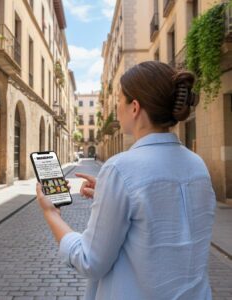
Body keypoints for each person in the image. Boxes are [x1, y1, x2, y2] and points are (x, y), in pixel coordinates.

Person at [36, 61, 216, 300]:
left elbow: (90, 261)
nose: (116, 109)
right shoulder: (198, 165)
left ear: (134, 107)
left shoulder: (120, 168)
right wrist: (111, 194)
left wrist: (51, 213)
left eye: (119, 100)